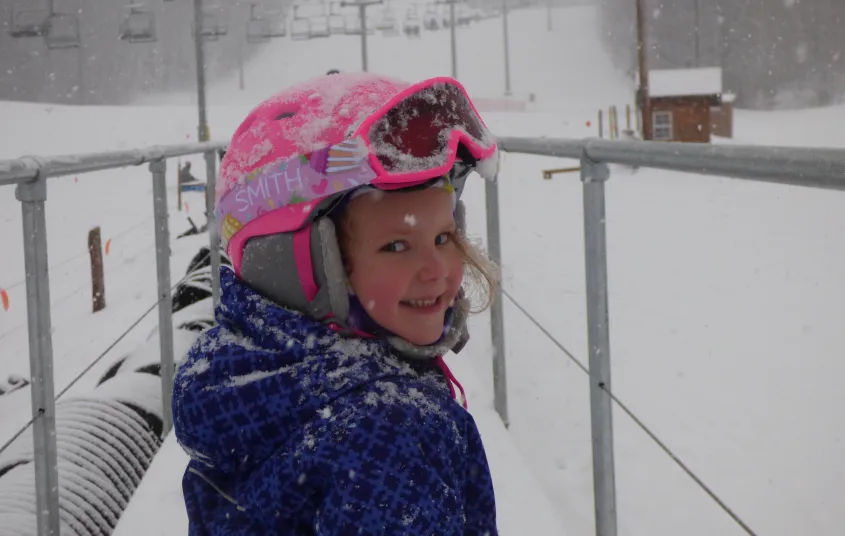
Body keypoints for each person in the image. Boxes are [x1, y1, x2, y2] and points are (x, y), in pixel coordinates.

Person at [172, 72, 501, 535]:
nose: (438, 269)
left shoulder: (237, 383)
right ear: (293, 264)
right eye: (396, 246)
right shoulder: (395, 430)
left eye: (444, 236)